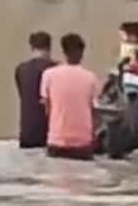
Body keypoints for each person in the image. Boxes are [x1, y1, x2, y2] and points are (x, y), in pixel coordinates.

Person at [40, 33, 100, 161]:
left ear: (63, 52)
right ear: (82, 53)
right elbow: (95, 112)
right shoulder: (91, 78)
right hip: (83, 144)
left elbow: (47, 109)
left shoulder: (49, 75)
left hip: (56, 142)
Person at [14, 31, 56, 148]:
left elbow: (22, 94)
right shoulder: (57, 70)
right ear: (49, 47)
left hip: (26, 135)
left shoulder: (21, 69)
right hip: (50, 136)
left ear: (31, 47)